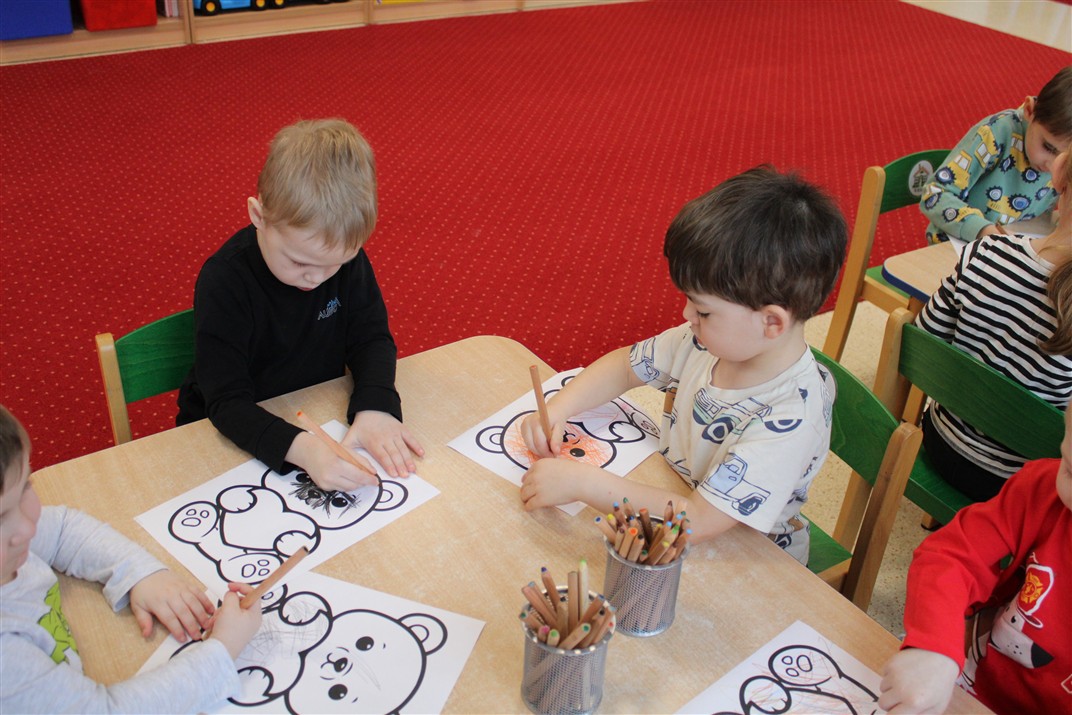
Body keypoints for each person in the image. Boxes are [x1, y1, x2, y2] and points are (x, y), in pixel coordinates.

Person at [518, 166, 847, 565]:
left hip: (750, 559)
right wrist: (559, 409)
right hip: (677, 503)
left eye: (703, 310)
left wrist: (583, 484)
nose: (687, 315)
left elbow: (700, 521)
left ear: (771, 322)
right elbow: (625, 367)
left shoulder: (792, 417)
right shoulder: (708, 342)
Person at [177, 118, 423, 489]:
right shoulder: (225, 279)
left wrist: (376, 406)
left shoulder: (344, 260)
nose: (316, 278)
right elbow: (226, 402)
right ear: (259, 216)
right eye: (298, 262)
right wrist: (301, 449)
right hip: (228, 434)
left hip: (313, 407)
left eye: (334, 264)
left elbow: (371, 337)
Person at [0, 405, 262, 713]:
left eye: (25, 487)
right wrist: (223, 649)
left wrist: (138, 572)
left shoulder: (13, 540)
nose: (28, 527)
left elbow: (62, 530)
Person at [879, 399, 1072, 715]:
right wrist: (935, 646)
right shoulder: (1044, 488)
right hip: (969, 686)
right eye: (1070, 470)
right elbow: (951, 554)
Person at [916, 149, 1072, 502]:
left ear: (1059, 172)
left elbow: (925, 342)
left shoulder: (986, 252)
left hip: (942, 443)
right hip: (1024, 491)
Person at [920, 66, 1072, 245]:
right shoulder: (994, 134)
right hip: (955, 244)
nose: (1053, 165)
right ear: (1030, 110)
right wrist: (983, 230)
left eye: (1066, 158)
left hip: (1017, 246)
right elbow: (935, 194)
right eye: (1048, 147)